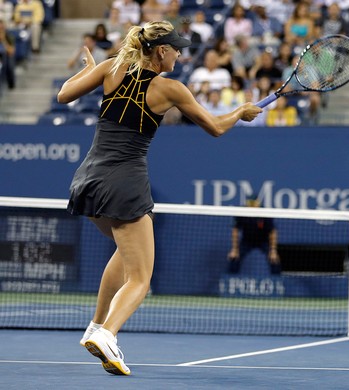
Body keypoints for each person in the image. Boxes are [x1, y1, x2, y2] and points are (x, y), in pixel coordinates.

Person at [56, 21, 262, 376]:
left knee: (126, 249)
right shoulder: (171, 89)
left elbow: (63, 95)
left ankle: (95, 325)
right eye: (176, 48)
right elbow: (215, 127)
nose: (180, 54)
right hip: (124, 183)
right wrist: (240, 113)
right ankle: (108, 334)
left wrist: (89, 70)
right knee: (141, 278)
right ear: (161, 51)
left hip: (88, 181)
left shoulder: (111, 68)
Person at [227, 195, 281, 275]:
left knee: (274, 259)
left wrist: (273, 251)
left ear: (258, 203)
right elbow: (235, 230)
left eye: (253, 203)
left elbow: (272, 232)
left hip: (263, 241)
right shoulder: (241, 212)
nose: (251, 205)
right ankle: (230, 281)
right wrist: (234, 249)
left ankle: (277, 282)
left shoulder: (265, 213)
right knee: (234, 258)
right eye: (249, 203)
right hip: (247, 241)